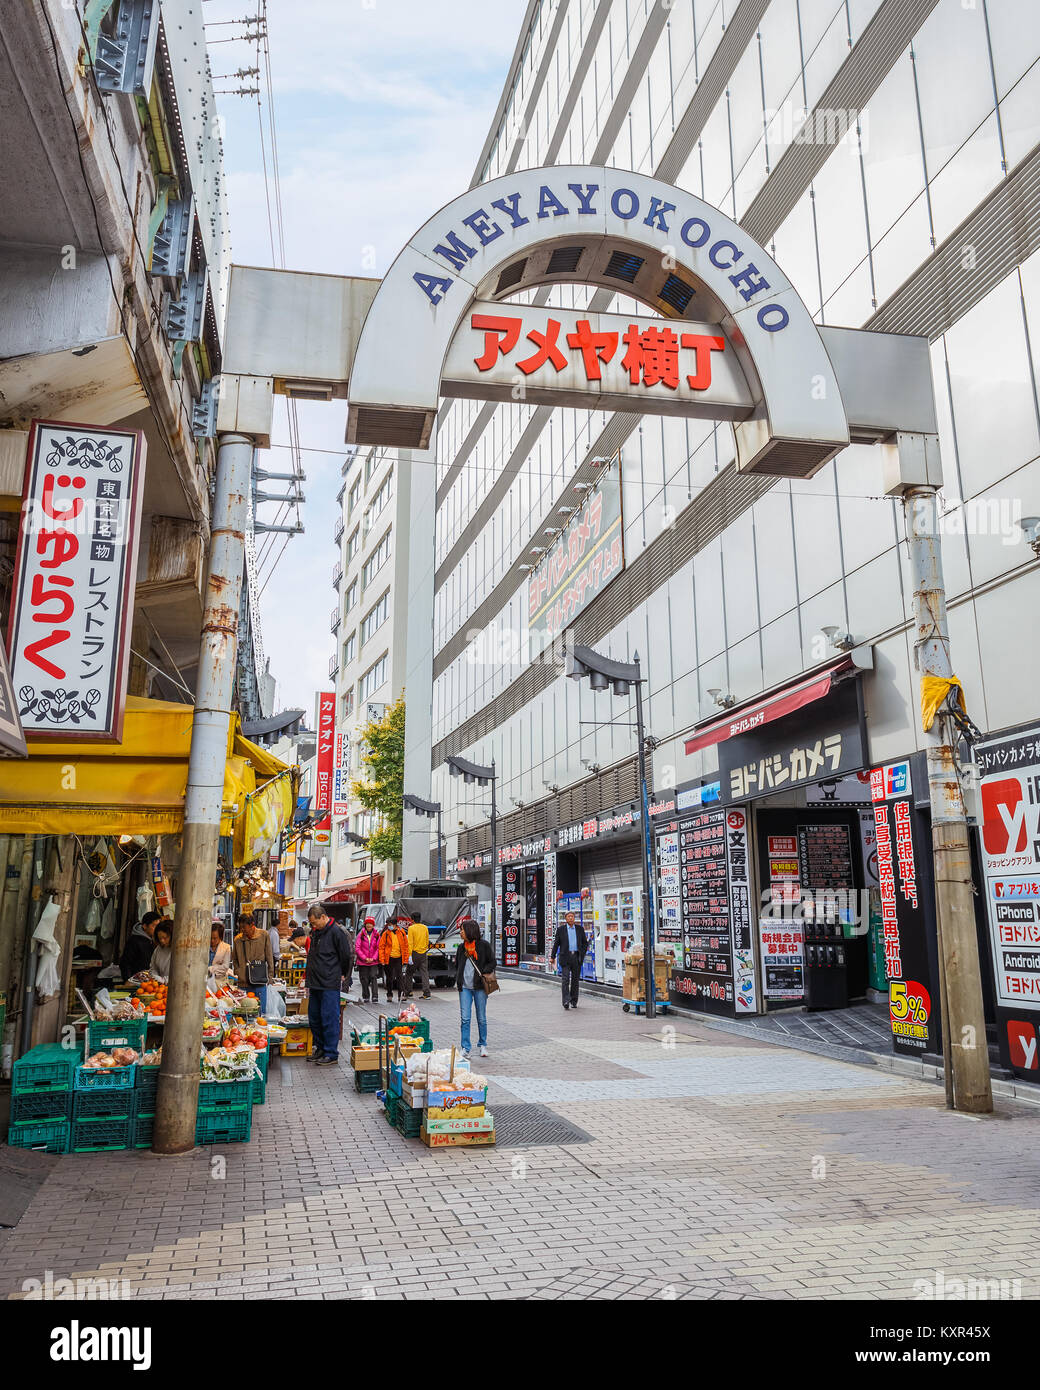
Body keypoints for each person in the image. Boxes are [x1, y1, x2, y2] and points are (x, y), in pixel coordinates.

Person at [305, 902, 353, 1065]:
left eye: (314, 922)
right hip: (315, 983)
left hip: (329, 982)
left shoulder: (336, 932)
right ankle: (320, 1048)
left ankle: (331, 1053)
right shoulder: (316, 932)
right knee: (314, 1017)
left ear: (323, 917)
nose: (313, 926)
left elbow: (346, 956)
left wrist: (342, 974)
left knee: (329, 1017)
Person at [454, 918, 494, 1061]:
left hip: (479, 987)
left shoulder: (484, 946)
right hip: (464, 987)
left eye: (462, 930)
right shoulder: (461, 948)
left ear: (470, 931)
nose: (461, 933)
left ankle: (483, 1044)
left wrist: (485, 971)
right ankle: (465, 1048)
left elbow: (492, 962)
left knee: (481, 1018)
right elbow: (457, 965)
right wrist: (458, 979)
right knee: (465, 1018)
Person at [233, 912, 275, 1014]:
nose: (242, 930)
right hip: (243, 983)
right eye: (240, 927)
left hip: (259, 981)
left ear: (252, 925)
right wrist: (238, 972)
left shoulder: (264, 935)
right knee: (243, 1013)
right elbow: (235, 959)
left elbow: (269, 956)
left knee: (260, 1012)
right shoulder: (238, 940)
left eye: (244, 927)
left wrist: (270, 976)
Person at [550, 909, 588, 1011]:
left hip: (576, 957)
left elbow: (585, 943)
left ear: (574, 918)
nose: (571, 918)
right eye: (569, 916)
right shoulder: (561, 929)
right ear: (565, 918)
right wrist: (552, 956)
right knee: (565, 980)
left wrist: (582, 954)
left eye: (572, 916)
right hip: (565, 957)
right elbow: (556, 944)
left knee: (575, 980)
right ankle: (566, 1001)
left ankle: (574, 1001)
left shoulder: (580, 929)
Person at [119, 910, 161, 980]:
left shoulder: (154, 940)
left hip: (149, 980)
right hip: (136, 980)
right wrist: (128, 980)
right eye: (154, 926)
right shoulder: (134, 941)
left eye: (158, 926)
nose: (157, 929)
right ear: (144, 926)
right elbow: (125, 963)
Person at [378, 917, 410, 1004]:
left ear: (395, 925)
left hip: (399, 958)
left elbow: (406, 947)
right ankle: (389, 995)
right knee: (389, 978)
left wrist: (406, 959)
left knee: (400, 977)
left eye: (390, 925)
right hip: (389, 958)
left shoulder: (402, 933)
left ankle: (401, 995)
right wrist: (382, 960)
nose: (389, 926)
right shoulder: (386, 934)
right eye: (388, 925)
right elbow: (381, 947)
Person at [355, 915, 381, 1003]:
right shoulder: (361, 934)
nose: (369, 925)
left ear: (373, 925)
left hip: (373, 962)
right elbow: (357, 948)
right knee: (364, 979)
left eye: (371, 924)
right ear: (365, 925)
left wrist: (373, 958)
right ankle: (366, 996)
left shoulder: (377, 935)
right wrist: (364, 958)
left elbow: (378, 948)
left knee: (373, 977)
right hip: (363, 962)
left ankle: (375, 996)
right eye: (367, 924)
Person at [404, 910, 430, 999]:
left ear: (412, 920)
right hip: (424, 953)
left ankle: (408, 991)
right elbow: (427, 941)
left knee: (409, 972)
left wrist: (409, 955)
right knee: (424, 973)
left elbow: (410, 942)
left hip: (414, 953)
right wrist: (424, 949)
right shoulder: (425, 927)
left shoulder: (411, 928)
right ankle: (427, 993)